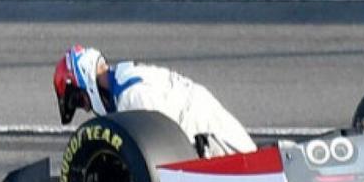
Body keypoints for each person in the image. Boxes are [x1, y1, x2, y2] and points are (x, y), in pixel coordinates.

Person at [52, 45, 256, 156]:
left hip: (216, 144)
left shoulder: (131, 98)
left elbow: (161, 153)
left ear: (84, 79)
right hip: (206, 131)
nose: (85, 108)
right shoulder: (126, 77)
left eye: (79, 100)